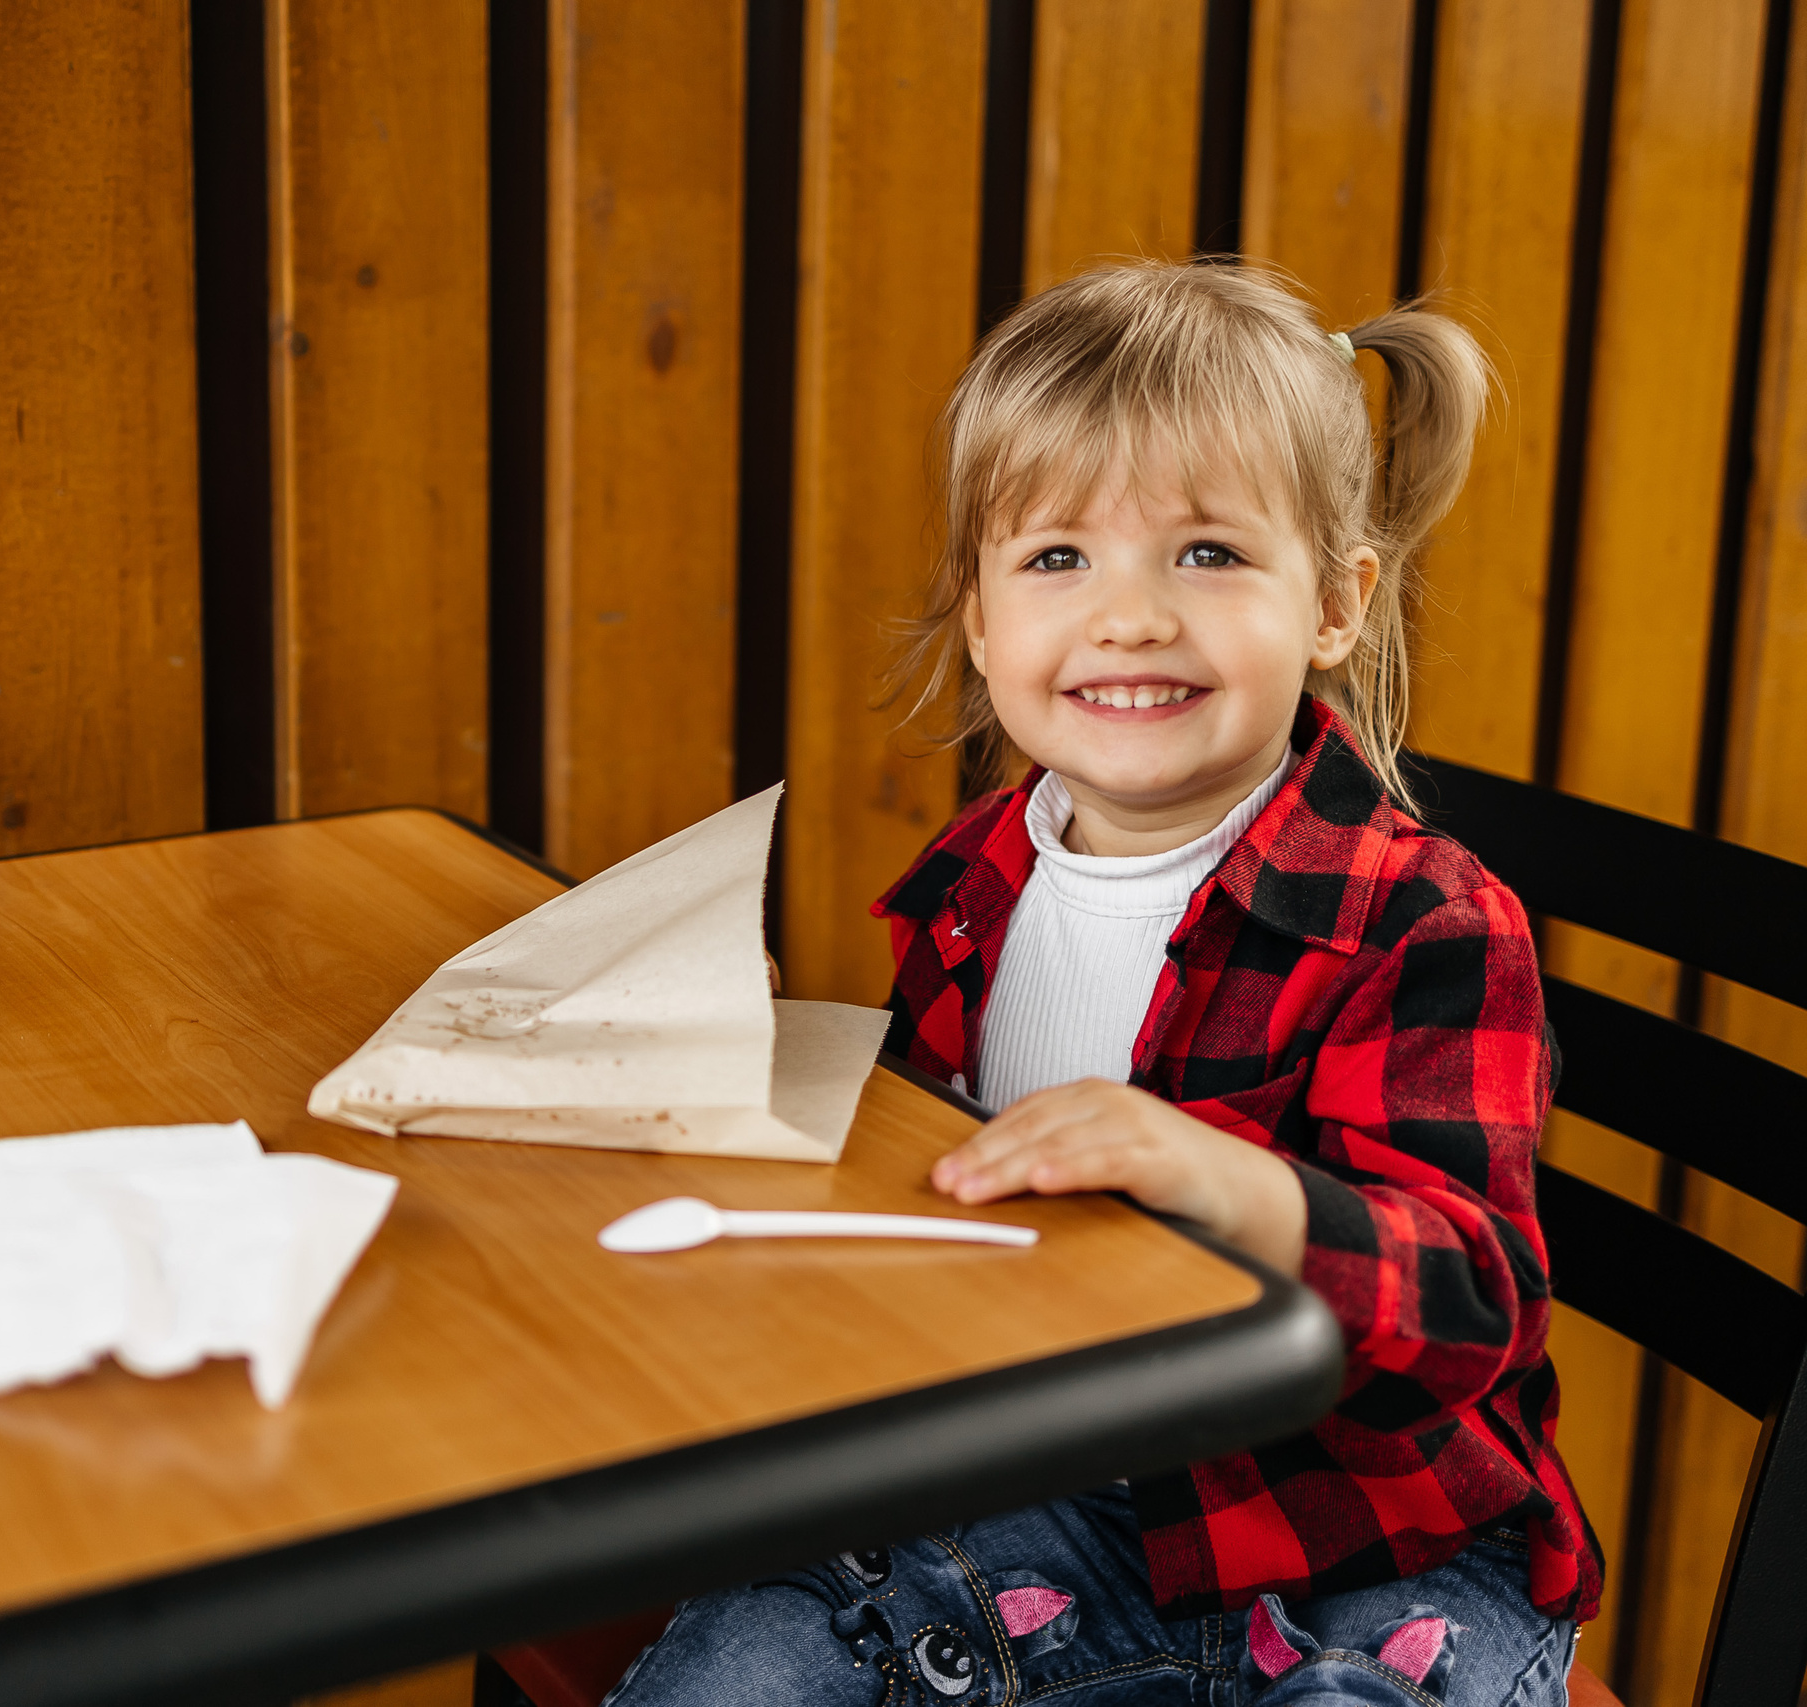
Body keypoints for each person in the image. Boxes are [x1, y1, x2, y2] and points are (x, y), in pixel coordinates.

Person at [602, 262, 1598, 1706]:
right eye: (1059, 559)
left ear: (1334, 602)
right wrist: (767, 1080)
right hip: (1052, 1498)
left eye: (1206, 554)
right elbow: (949, 1189)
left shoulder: (1424, 923)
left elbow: (1467, 1312)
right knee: (737, 1670)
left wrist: (1219, 1181)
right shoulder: (975, 878)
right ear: (980, 621)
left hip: (1373, 1553)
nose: (1128, 618)